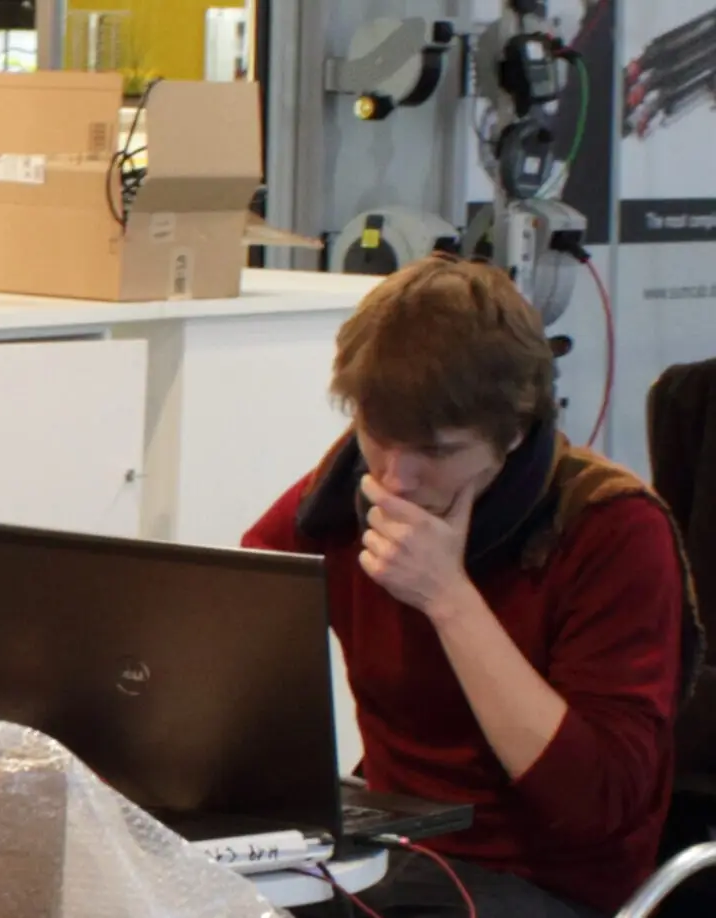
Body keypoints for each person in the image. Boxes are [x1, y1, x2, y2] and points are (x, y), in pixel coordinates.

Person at [242, 255, 701, 918]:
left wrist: (449, 599)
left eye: (436, 451)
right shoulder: (341, 500)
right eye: (377, 435)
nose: (396, 479)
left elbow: (594, 807)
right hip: (392, 847)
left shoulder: (610, 530)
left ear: (513, 434)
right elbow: (223, 643)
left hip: (545, 881)